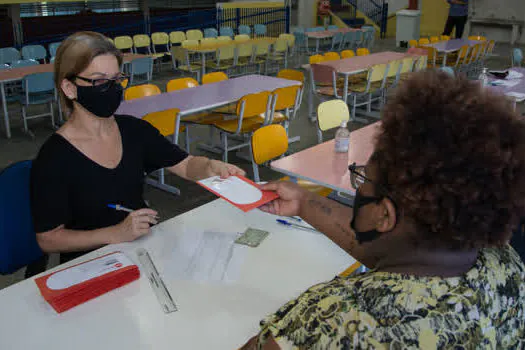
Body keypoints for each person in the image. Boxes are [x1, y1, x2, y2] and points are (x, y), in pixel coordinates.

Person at [242, 71, 525, 349]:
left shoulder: (339, 322)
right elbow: (398, 249)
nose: (359, 187)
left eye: (364, 178)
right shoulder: (507, 269)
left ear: (385, 215)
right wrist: (304, 202)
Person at [30, 32, 245, 264]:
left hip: (141, 250)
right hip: (91, 265)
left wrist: (210, 166)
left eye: (116, 79)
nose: (112, 89)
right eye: (100, 81)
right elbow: (49, 238)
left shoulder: (134, 130)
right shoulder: (54, 158)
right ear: (70, 88)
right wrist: (114, 234)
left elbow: (185, 165)